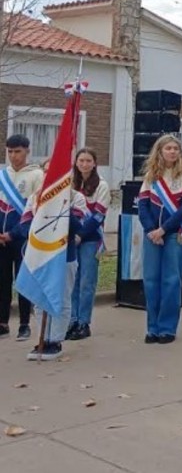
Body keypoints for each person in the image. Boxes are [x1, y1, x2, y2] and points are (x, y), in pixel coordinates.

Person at [10, 160, 86, 361]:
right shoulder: (35, 198)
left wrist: (62, 205)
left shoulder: (76, 198)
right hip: (39, 256)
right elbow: (24, 225)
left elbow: (79, 226)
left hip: (64, 256)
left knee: (61, 296)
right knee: (40, 297)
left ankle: (56, 340)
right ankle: (42, 337)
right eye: (46, 172)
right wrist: (38, 234)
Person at [137, 134, 182, 344]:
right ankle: (152, 327)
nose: (172, 151)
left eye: (175, 148)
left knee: (171, 281)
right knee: (151, 280)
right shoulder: (151, 175)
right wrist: (151, 230)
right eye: (168, 148)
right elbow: (142, 206)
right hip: (153, 234)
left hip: (175, 233)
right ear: (160, 151)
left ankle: (167, 328)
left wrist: (163, 230)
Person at [0, 134, 43, 340]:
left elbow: (35, 211)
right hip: (1, 238)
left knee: (23, 280)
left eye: (17, 151)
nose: (13, 156)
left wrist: (13, 233)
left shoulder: (36, 175)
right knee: (2, 280)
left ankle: (24, 324)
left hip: (22, 237)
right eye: (10, 152)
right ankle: (2, 322)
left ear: (27, 151)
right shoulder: (2, 175)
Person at [67, 148, 110, 341]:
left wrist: (81, 235)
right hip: (70, 237)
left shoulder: (101, 185)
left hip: (91, 238)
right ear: (76, 163)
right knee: (73, 281)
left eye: (88, 161)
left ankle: (84, 322)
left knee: (87, 282)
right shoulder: (70, 184)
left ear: (94, 163)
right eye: (81, 160)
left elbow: (98, 215)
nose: (84, 164)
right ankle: (72, 320)